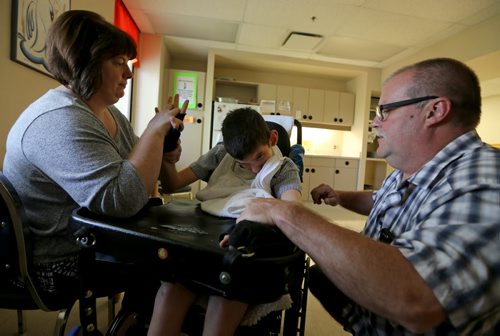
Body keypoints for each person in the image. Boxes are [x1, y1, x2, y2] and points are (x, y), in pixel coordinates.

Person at [237, 58, 500, 335]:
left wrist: (283, 211)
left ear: (434, 111)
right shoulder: (411, 168)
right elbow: (385, 199)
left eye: (384, 110)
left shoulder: (485, 179)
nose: (375, 121)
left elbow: (417, 299)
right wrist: (341, 196)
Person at [2, 10, 187, 322]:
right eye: (118, 62)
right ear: (85, 62)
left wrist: (163, 146)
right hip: (57, 262)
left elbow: (142, 179)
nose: (128, 74)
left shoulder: (109, 114)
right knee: (180, 266)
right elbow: (123, 200)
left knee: (181, 258)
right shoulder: (58, 120)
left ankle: (140, 323)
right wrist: (154, 131)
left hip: (96, 239)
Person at [148, 107, 302, 335]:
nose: (255, 168)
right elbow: (173, 184)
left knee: (227, 294)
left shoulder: (282, 169)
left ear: (272, 138)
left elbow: (293, 210)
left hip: (244, 253)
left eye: (259, 157)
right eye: (243, 163)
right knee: (171, 288)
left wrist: (255, 221)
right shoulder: (221, 155)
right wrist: (166, 155)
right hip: (206, 241)